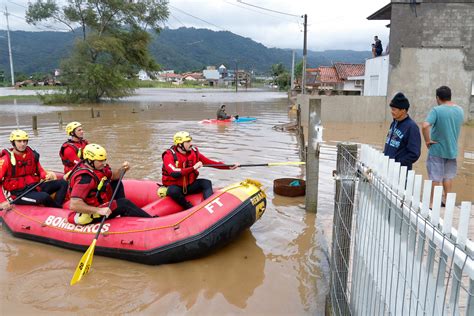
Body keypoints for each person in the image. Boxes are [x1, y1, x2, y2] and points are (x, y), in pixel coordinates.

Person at [67, 143, 153, 225]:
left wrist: (123, 169)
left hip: (99, 205)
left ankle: (124, 215)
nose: (103, 163)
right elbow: (74, 204)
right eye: (100, 161)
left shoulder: (100, 169)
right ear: (90, 161)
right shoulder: (85, 178)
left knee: (116, 183)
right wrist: (98, 210)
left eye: (104, 160)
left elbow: (114, 176)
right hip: (90, 214)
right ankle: (152, 222)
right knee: (124, 203)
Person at [161, 131, 239, 210]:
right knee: (172, 191)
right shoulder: (168, 155)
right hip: (177, 187)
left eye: (190, 141)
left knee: (206, 183)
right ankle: (188, 207)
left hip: (189, 185)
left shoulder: (194, 152)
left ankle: (208, 206)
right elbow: (174, 173)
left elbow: (210, 163)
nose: (191, 143)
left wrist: (228, 167)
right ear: (180, 144)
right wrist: (193, 168)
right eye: (187, 142)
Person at [0, 129, 68, 210]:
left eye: (25, 141)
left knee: (63, 183)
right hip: (19, 194)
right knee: (44, 196)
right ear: (13, 142)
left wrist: (46, 175)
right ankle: (58, 210)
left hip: (34, 187)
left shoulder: (32, 155)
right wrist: (2, 201)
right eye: (19, 141)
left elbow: (40, 171)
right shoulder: (5, 160)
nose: (22, 144)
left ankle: (56, 207)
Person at [422, 86, 464, 206]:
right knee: (448, 177)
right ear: (450, 96)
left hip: (437, 150)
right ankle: (447, 201)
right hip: (452, 150)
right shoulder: (460, 110)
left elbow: (425, 126)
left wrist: (427, 141)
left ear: (437, 97)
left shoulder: (436, 110)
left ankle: (431, 204)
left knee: (435, 177)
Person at [383, 92, 421, 170]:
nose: (391, 112)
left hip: (400, 172)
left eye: (394, 110)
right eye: (391, 109)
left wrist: (397, 163)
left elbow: (414, 154)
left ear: (403, 110)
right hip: (388, 168)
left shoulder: (412, 127)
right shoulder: (394, 123)